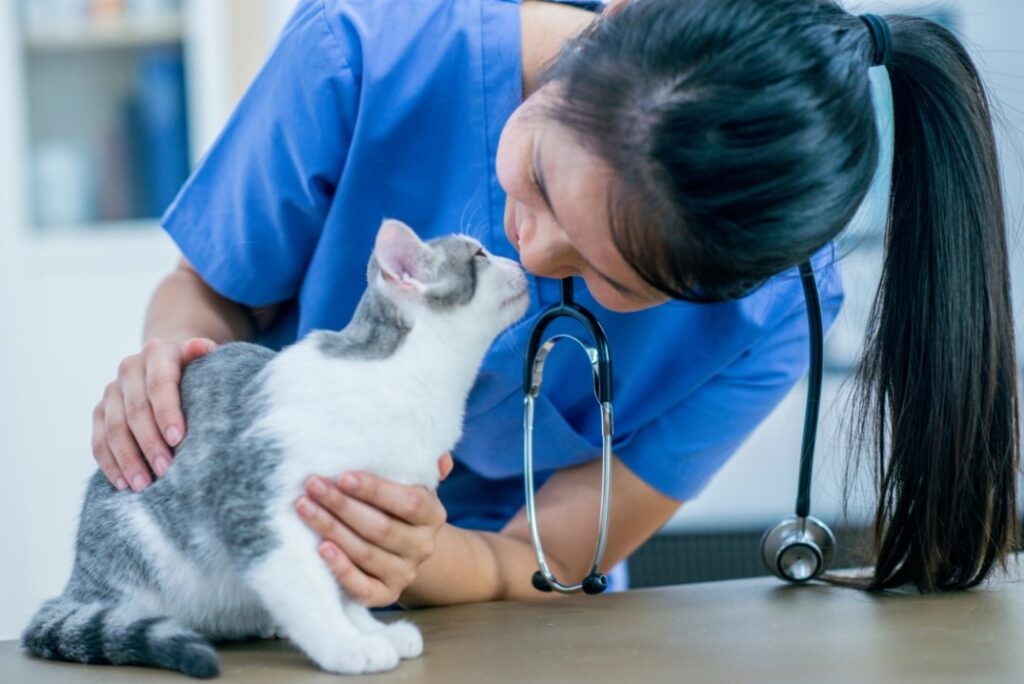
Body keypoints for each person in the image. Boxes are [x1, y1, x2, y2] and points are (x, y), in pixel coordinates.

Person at [91, 0, 1019, 603]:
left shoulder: (774, 315)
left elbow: (546, 560)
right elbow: (210, 292)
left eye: (614, 282)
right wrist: (175, 361)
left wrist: (419, 557)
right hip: (249, 564)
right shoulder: (363, 51)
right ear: (613, 17)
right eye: (537, 173)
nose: (530, 251)